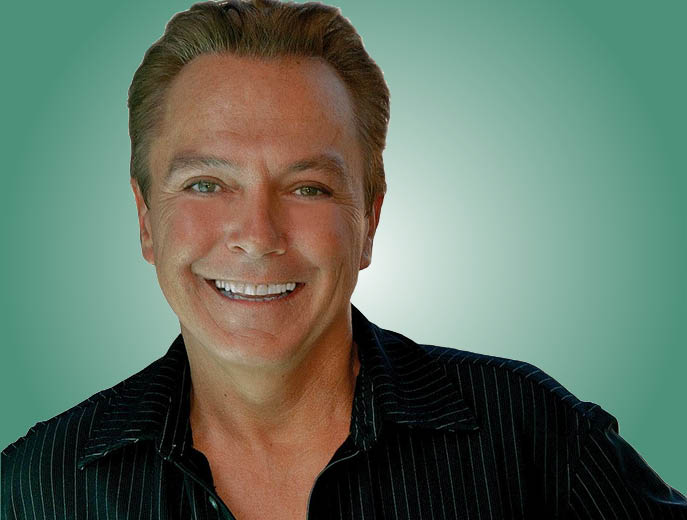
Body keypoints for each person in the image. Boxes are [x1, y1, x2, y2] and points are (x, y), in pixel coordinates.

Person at [2, 0, 685, 518]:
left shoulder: (535, 439)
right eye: (206, 184)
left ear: (369, 221)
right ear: (145, 218)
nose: (257, 235)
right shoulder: (36, 488)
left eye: (308, 188)